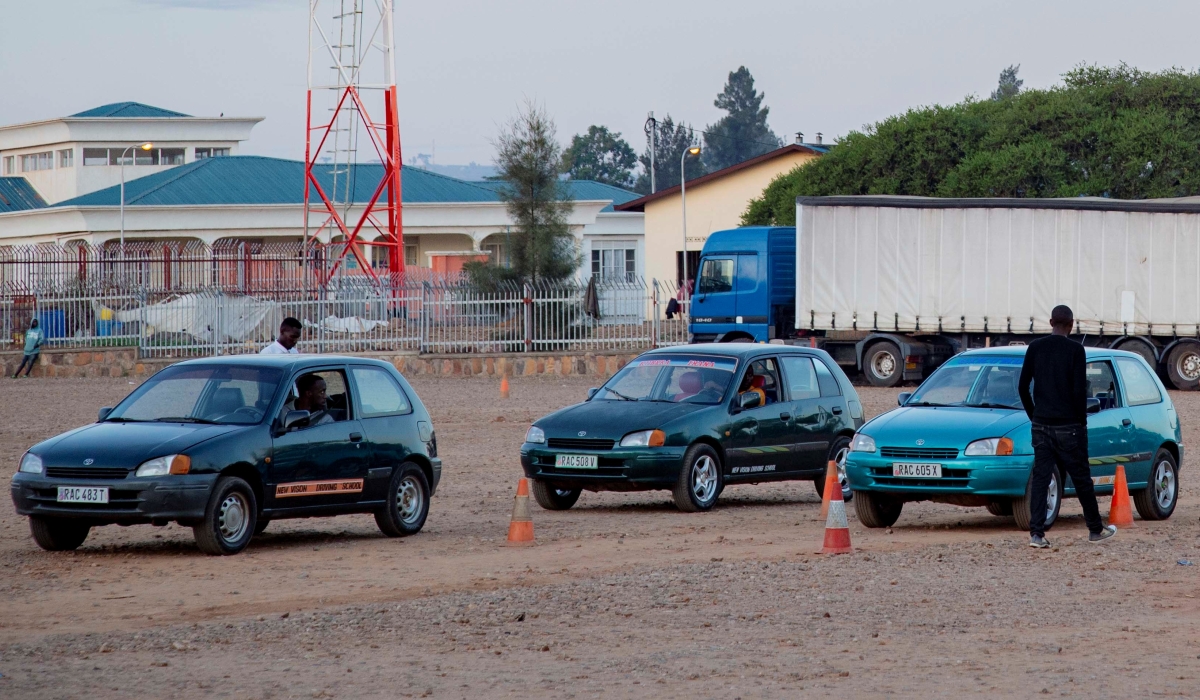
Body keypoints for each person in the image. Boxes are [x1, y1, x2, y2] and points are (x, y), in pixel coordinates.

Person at [1017, 305, 1116, 548]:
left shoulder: (1035, 348)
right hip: (1070, 427)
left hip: (1041, 425)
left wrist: (1034, 416)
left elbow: (1022, 387)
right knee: (1081, 478)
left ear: (1051, 321)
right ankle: (1095, 529)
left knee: (1041, 478)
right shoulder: (1076, 350)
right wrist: (1080, 423)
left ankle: (1037, 535)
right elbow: (1078, 390)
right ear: (1071, 325)